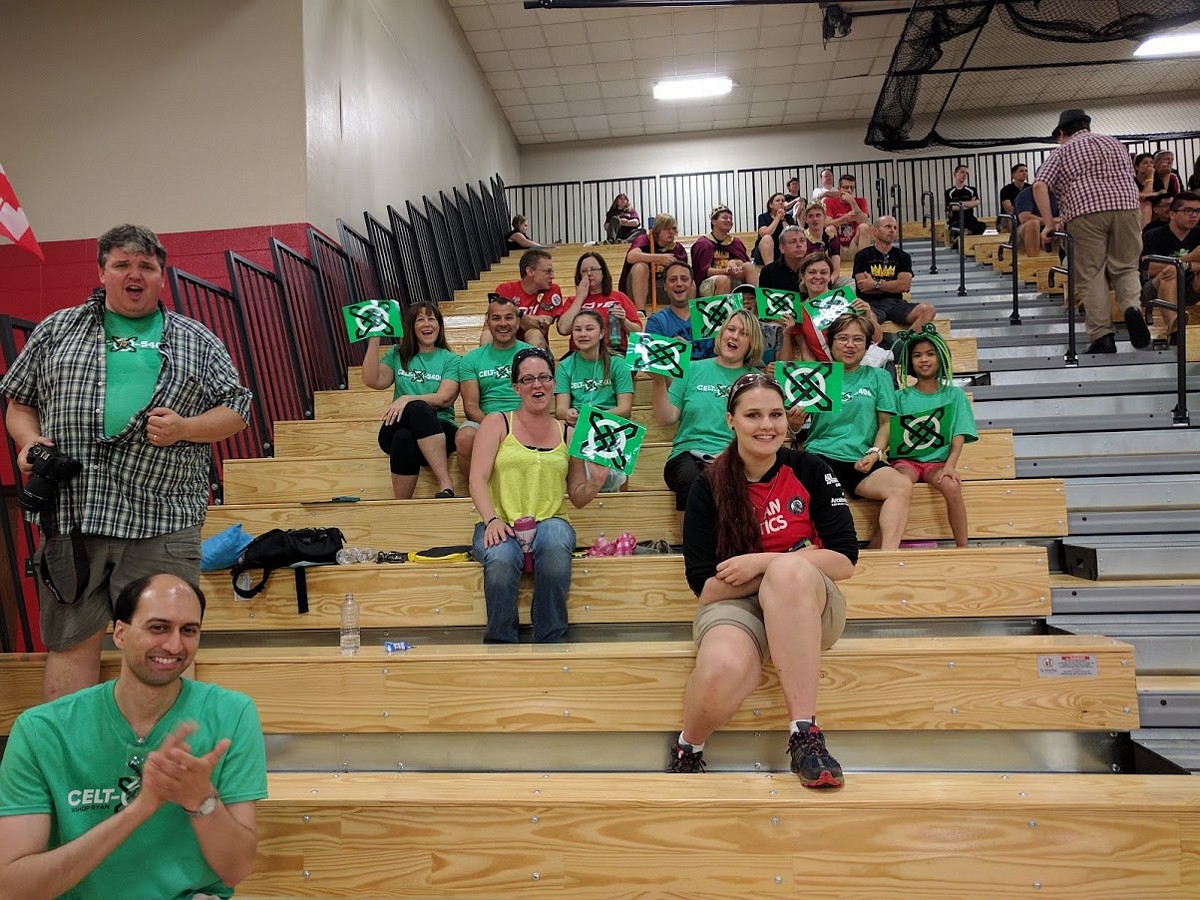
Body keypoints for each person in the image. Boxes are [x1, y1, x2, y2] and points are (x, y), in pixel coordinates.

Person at [0, 224, 251, 702]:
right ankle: (68, 766)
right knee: (70, 642)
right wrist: (30, 441)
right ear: (102, 272)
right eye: (122, 265)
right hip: (75, 514)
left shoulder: (197, 339)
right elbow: (19, 402)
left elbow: (238, 408)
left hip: (162, 517)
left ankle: (167, 767)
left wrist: (186, 428)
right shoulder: (57, 329)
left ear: (162, 276)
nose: (134, 275)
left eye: (146, 267)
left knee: (165, 647)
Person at [0, 574, 267, 898]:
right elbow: (12, 887)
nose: (174, 645)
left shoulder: (233, 713)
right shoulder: (41, 730)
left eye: (189, 630)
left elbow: (235, 870)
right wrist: (137, 811)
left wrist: (201, 799)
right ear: (121, 633)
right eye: (158, 627)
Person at [667, 373, 858, 788]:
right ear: (730, 420)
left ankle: (805, 734)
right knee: (722, 666)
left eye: (775, 414)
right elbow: (707, 589)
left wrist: (761, 563)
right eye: (753, 415)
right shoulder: (707, 485)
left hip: (809, 602)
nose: (766, 425)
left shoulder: (810, 468)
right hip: (738, 606)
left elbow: (844, 560)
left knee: (788, 572)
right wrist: (766, 577)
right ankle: (689, 744)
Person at [469, 348, 608, 643]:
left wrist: (595, 482)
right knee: (502, 559)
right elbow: (477, 479)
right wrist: (491, 519)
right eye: (528, 379)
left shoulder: (569, 433)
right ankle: (500, 641)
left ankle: (550, 639)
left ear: (554, 384)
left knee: (556, 542)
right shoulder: (496, 422)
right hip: (500, 521)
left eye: (544, 377)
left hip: (551, 521)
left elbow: (578, 497)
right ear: (516, 386)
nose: (537, 385)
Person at [1033, 108, 1151, 354]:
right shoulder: (1115, 143)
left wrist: (1048, 223)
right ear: (1087, 125)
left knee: (1091, 275)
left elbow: (1040, 184)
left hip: (1085, 213)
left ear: (1062, 133)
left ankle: (1103, 336)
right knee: (1126, 267)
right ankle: (1131, 307)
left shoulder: (1063, 150)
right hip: (1128, 208)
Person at [801, 313, 912, 551]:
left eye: (857, 339)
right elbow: (794, 428)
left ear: (868, 345)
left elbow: (886, 424)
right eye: (842, 338)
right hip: (821, 456)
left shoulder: (879, 377)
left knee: (901, 487)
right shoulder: (818, 375)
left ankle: (886, 558)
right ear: (831, 343)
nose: (850, 345)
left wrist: (875, 452)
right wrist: (794, 421)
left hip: (861, 459)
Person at [651, 309, 765, 529]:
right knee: (694, 479)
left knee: (730, 477)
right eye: (731, 329)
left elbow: (761, 429)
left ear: (753, 343)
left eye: (744, 333)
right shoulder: (691, 369)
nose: (734, 336)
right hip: (688, 456)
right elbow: (667, 418)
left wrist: (730, 454)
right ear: (720, 333)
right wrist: (657, 381)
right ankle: (693, 549)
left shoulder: (757, 380)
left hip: (738, 455)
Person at [890, 327, 978, 548]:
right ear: (910, 361)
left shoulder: (955, 395)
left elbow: (959, 433)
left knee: (952, 486)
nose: (924, 360)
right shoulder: (900, 396)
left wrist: (950, 466)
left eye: (930, 354)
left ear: (941, 357)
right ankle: (886, 546)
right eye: (917, 355)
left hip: (938, 463)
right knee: (899, 484)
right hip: (906, 461)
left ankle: (963, 547)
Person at [362, 302, 460, 500]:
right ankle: (444, 483)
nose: (427, 324)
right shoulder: (398, 354)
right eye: (420, 319)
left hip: (441, 430)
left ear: (439, 325)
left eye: (432, 319)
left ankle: (402, 503)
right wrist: (374, 339)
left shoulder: (451, 359)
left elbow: (444, 399)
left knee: (406, 435)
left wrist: (406, 398)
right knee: (414, 412)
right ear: (411, 327)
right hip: (395, 424)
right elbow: (374, 380)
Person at [555, 309, 635, 492]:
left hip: (609, 423)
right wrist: (569, 413)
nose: (582, 334)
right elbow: (560, 410)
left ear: (601, 333)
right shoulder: (566, 365)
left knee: (624, 429)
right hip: (576, 427)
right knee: (563, 429)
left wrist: (592, 417)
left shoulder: (618, 363)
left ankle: (621, 498)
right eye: (577, 329)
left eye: (589, 329)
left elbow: (624, 408)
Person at [456, 296, 532, 478]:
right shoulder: (471, 359)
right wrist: (496, 427)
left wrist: (516, 427)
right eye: (496, 318)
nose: (503, 324)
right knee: (465, 436)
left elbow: (538, 398)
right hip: (486, 421)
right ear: (487, 322)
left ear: (518, 321)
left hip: (526, 420)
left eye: (509, 317)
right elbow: (471, 406)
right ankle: (477, 491)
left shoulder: (532, 355)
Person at [778, 251, 881, 362]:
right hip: (831, 373)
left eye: (823, 272)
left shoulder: (847, 300)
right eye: (812, 272)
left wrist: (868, 314)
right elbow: (806, 352)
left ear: (830, 276)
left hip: (858, 368)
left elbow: (877, 338)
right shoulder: (799, 311)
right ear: (802, 275)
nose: (818, 277)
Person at [853, 216, 936, 330]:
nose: (892, 230)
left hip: (895, 303)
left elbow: (904, 285)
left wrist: (876, 284)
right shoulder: (862, 255)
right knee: (866, 318)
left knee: (928, 310)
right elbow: (864, 287)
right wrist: (892, 285)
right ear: (875, 231)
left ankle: (907, 343)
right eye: (887, 226)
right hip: (869, 304)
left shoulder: (903, 256)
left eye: (895, 228)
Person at [556, 252, 643, 354]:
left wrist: (624, 321)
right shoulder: (573, 301)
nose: (588, 274)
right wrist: (580, 298)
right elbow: (563, 329)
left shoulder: (619, 297)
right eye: (584, 271)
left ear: (603, 272)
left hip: (614, 351)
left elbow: (638, 334)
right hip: (580, 353)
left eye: (593, 269)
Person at [1141, 192, 1200, 339]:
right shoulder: (1152, 234)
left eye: (1198, 211)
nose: (1194, 215)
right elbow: (1150, 268)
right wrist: (1188, 261)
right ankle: (1175, 325)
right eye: (1188, 210)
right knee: (1170, 272)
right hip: (1154, 287)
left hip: (1189, 285)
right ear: (1172, 214)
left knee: (1173, 268)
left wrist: (1186, 266)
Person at [489, 249, 566, 349]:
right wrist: (525, 318)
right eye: (547, 272)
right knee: (487, 334)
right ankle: (488, 364)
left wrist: (515, 315)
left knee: (533, 333)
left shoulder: (553, 290)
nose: (552, 276)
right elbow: (499, 323)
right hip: (507, 344)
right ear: (530, 271)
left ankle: (538, 363)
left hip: (534, 348)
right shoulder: (505, 289)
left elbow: (543, 327)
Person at [618, 214, 689, 312]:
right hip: (639, 287)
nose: (671, 232)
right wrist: (658, 258)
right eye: (667, 229)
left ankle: (686, 314)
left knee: (690, 283)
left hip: (662, 289)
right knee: (640, 267)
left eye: (673, 229)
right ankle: (641, 311)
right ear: (658, 230)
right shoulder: (644, 240)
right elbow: (631, 257)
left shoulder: (677, 248)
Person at [644, 260, 714, 360]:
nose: (679, 284)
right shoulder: (656, 322)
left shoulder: (710, 314)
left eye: (684, 279)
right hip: (678, 375)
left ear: (692, 284)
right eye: (673, 280)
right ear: (665, 286)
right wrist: (674, 352)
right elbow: (653, 366)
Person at [691, 205, 758, 297]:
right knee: (723, 280)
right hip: (711, 282)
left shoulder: (736, 242)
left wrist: (734, 264)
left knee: (748, 266)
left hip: (733, 277)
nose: (729, 220)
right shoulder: (703, 243)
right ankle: (722, 310)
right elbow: (703, 271)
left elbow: (743, 262)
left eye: (731, 219)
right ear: (714, 221)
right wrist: (726, 271)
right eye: (725, 218)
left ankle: (757, 302)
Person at [822, 173, 871, 255]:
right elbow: (826, 224)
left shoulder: (861, 201)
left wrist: (852, 202)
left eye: (852, 188)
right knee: (830, 229)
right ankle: (834, 265)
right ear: (839, 189)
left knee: (864, 227)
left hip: (854, 244)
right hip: (837, 245)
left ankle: (862, 263)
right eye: (845, 187)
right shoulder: (829, 202)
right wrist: (845, 218)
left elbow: (863, 220)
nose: (849, 190)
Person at [751, 193, 795, 267]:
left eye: (783, 201)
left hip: (781, 251)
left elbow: (791, 236)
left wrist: (783, 219)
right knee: (767, 238)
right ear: (771, 205)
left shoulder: (788, 218)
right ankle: (770, 270)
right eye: (777, 200)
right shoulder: (763, 217)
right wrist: (777, 218)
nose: (781, 202)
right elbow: (764, 233)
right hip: (763, 251)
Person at [945, 164, 986, 243]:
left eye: (966, 173)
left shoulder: (971, 190)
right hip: (955, 219)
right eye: (962, 172)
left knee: (981, 226)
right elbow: (951, 207)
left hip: (969, 218)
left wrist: (959, 204)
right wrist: (969, 204)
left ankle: (971, 244)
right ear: (955, 174)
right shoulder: (949, 192)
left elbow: (976, 203)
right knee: (957, 228)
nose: (964, 175)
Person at [800, 202, 842, 272]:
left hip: (828, 278)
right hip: (808, 277)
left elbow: (836, 269)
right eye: (811, 216)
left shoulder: (831, 238)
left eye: (818, 215)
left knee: (852, 282)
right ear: (806, 220)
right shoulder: (801, 239)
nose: (815, 219)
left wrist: (830, 281)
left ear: (824, 217)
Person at [999, 163, 1029, 230]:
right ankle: (1013, 238)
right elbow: (1008, 208)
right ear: (1013, 175)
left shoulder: (1030, 188)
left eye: (1026, 171)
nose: (1024, 173)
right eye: (1021, 171)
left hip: (1027, 215)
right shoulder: (1006, 190)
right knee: (1012, 216)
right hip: (1009, 217)